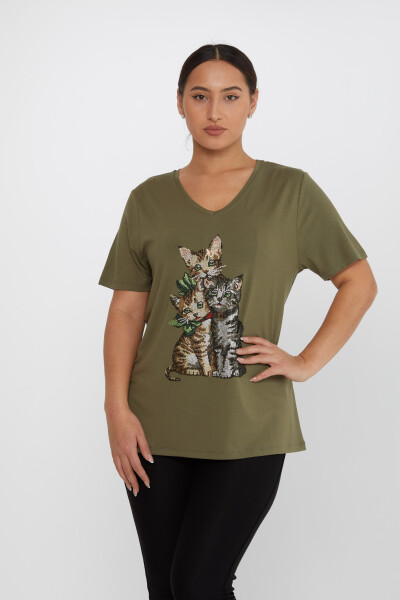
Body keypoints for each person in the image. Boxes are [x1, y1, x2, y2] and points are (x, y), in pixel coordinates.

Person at [98, 43, 377, 600]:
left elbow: (358, 281)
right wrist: (116, 410)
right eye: (200, 96)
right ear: (180, 103)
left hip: (250, 424)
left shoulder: (291, 192)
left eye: (230, 97)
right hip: (154, 426)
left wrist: (306, 362)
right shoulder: (147, 199)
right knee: (166, 589)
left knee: (197, 583)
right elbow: (127, 310)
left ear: (253, 102)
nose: (214, 112)